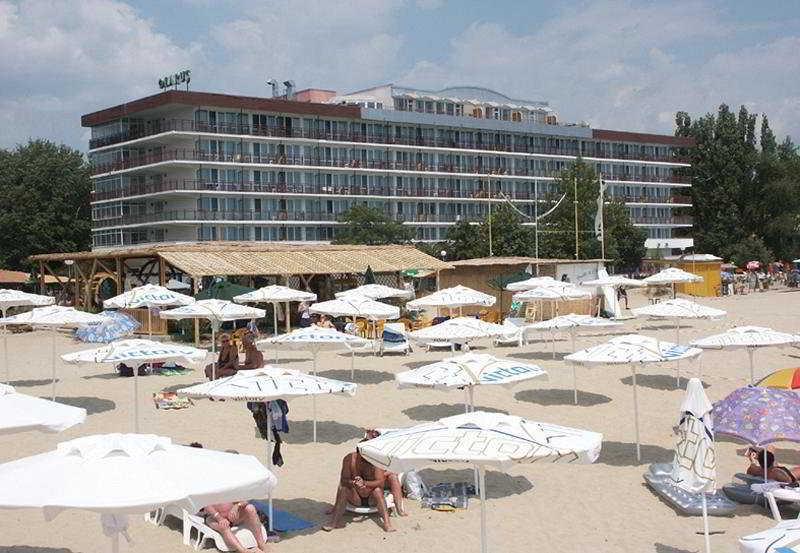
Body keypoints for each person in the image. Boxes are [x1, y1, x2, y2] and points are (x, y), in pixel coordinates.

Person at [323, 439, 395, 532]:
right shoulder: (349, 459)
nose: (367, 458)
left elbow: (380, 482)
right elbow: (343, 480)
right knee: (344, 489)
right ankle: (334, 523)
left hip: (371, 498)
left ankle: (387, 524)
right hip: (355, 496)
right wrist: (353, 483)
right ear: (358, 453)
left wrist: (364, 483)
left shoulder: (376, 461)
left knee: (377, 490)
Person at [201, 501, 269, 552]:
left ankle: (261, 544)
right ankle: (242, 550)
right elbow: (207, 505)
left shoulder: (232, 484)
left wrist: (237, 506)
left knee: (250, 508)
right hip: (214, 517)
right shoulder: (210, 486)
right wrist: (219, 518)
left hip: (233, 516)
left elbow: (246, 501)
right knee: (223, 526)